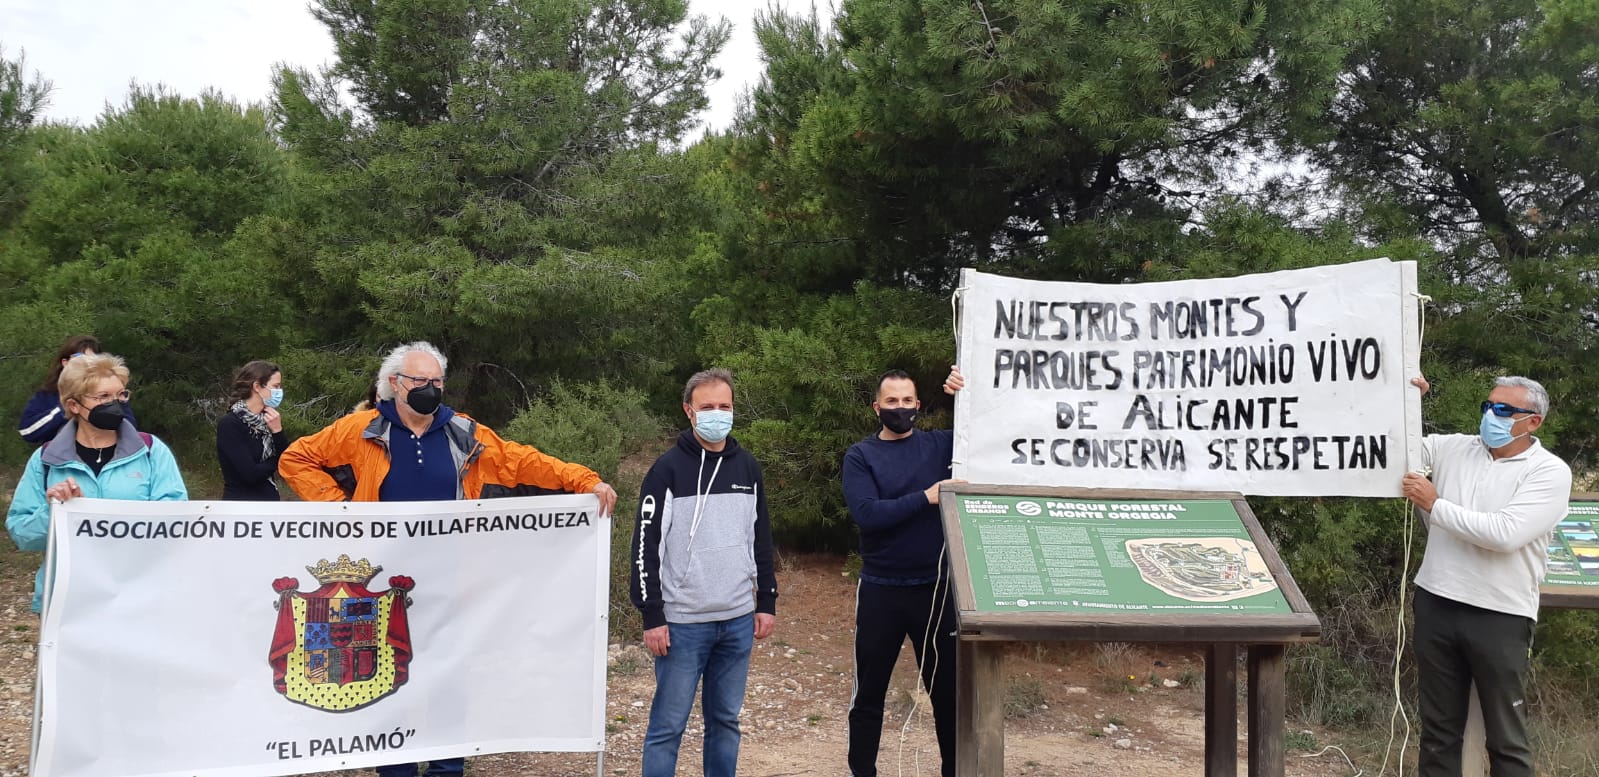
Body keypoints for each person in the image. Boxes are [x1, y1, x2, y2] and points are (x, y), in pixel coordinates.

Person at [277, 341, 617, 777]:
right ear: (396, 384)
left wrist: (583, 480)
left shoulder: (463, 432)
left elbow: (521, 461)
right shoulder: (362, 429)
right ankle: (395, 767)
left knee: (449, 678)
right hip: (378, 582)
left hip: (449, 579)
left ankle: (446, 766)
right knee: (388, 675)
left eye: (437, 381)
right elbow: (296, 459)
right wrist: (343, 508)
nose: (430, 389)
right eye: (421, 381)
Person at [1401, 375, 1572, 777]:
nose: (1490, 416)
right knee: (1439, 730)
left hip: (1501, 613)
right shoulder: (1454, 448)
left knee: (1505, 737)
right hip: (1437, 600)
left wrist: (1435, 504)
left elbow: (1504, 534)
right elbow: (1397, 450)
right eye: (1487, 406)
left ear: (1533, 422)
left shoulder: (1550, 472)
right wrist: (1407, 403)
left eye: (1502, 410)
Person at [630, 368, 778, 777]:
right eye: (707, 407)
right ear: (688, 410)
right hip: (682, 625)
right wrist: (652, 614)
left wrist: (765, 600)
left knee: (726, 724)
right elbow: (645, 545)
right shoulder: (666, 470)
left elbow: (760, 537)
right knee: (667, 728)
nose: (717, 414)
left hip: (735, 619)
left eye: (724, 406)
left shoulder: (748, 467)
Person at [842, 368, 964, 777]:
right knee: (868, 695)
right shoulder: (861, 456)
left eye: (907, 401)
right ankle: (863, 771)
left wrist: (964, 392)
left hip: (936, 590)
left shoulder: (941, 445)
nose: (900, 409)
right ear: (877, 407)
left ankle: (954, 770)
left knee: (947, 695)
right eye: (891, 402)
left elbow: (985, 430)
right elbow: (867, 513)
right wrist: (927, 497)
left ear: (918, 405)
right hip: (880, 590)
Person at [6, 353, 187, 613]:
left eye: (120, 395)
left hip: (139, 597)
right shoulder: (46, 459)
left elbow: (177, 522)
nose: (115, 404)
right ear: (74, 405)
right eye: (102, 397)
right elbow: (22, 534)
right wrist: (55, 509)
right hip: (68, 600)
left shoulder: (150, 451)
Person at [18, 335, 137, 444]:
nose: (87, 366)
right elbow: (27, 432)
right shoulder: (48, 394)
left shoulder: (114, 396)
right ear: (65, 363)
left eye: (93, 360)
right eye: (81, 360)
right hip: (60, 461)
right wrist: (66, 408)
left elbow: (130, 431)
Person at [216, 360, 289, 500]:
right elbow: (250, 474)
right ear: (257, 386)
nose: (279, 392)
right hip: (241, 508)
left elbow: (288, 460)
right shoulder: (230, 424)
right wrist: (277, 459)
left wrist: (278, 432)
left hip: (270, 504)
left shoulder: (267, 421)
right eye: (275, 386)